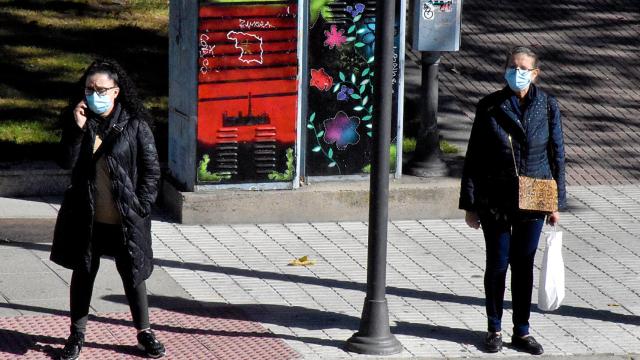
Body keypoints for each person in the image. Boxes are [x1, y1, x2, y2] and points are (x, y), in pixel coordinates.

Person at [51, 59, 165, 359]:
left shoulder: (135, 125)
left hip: (125, 219)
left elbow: (152, 170)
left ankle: (145, 332)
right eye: (89, 88)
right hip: (87, 217)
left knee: (134, 276)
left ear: (116, 92)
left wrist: (140, 205)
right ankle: (76, 335)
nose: (94, 94)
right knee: (83, 273)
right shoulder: (79, 120)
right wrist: (76, 131)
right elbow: (65, 161)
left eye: (101, 89)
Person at [459, 46, 566, 355]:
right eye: (511, 66)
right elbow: (474, 158)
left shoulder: (547, 106)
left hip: (536, 194)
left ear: (535, 74)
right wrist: (470, 204)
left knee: (524, 266)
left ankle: (522, 331)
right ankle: (494, 327)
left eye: (523, 68)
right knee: (497, 264)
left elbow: (557, 154)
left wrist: (556, 203)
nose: (516, 72)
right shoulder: (490, 106)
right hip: (496, 196)